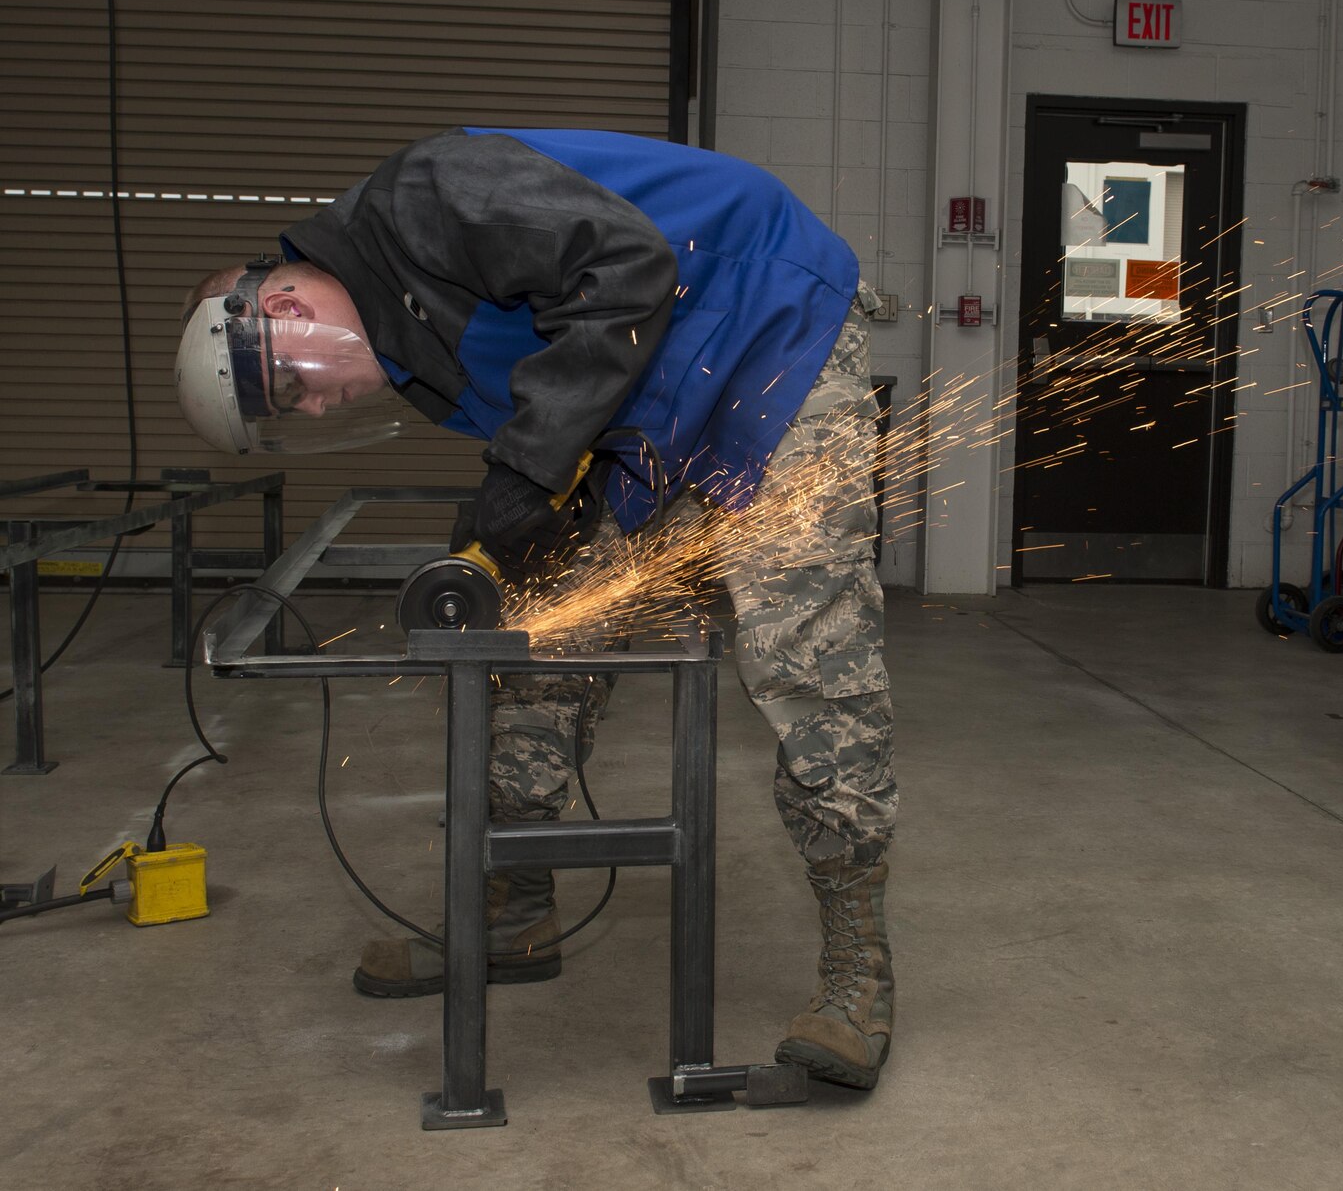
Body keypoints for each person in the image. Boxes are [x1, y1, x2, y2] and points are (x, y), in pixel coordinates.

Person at [173, 128, 897, 1090]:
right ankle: (513, 908)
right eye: (290, 416)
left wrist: (524, 471)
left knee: (805, 641)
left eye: (294, 388)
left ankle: (859, 972)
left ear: (288, 305)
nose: (312, 411)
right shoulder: (412, 355)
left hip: (771, 330)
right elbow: (560, 398)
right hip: (648, 395)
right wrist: (516, 521)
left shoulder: (429, 195)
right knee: (524, 628)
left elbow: (626, 266)